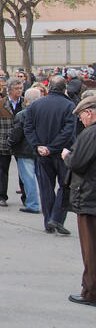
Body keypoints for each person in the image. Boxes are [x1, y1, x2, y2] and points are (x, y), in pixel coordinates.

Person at [23, 75, 77, 235]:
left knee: (46, 187)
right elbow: (68, 131)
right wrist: (51, 147)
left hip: (43, 153)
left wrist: (39, 146)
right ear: (64, 88)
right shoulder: (69, 105)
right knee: (65, 186)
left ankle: (49, 221)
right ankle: (57, 218)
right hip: (61, 153)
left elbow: (28, 128)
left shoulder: (36, 105)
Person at [64, 95, 96, 306]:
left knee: (90, 248)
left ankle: (91, 292)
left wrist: (66, 156)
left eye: (82, 116)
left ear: (89, 113)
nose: (81, 120)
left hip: (89, 197)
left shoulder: (90, 134)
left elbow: (77, 163)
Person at [0, 78, 24, 207]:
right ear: (10, 90)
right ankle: (2, 196)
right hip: (3, 142)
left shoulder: (25, 103)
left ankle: (26, 195)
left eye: (21, 88)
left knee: (23, 170)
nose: (20, 91)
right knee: (3, 169)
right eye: (17, 88)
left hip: (21, 143)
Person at [8, 87, 42, 214]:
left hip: (25, 149)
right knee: (42, 178)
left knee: (28, 179)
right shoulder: (43, 113)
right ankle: (45, 202)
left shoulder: (22, 114)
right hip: (40, 149)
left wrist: (10, 143)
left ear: (26, 100)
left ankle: (32, 204)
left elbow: (17, 134)